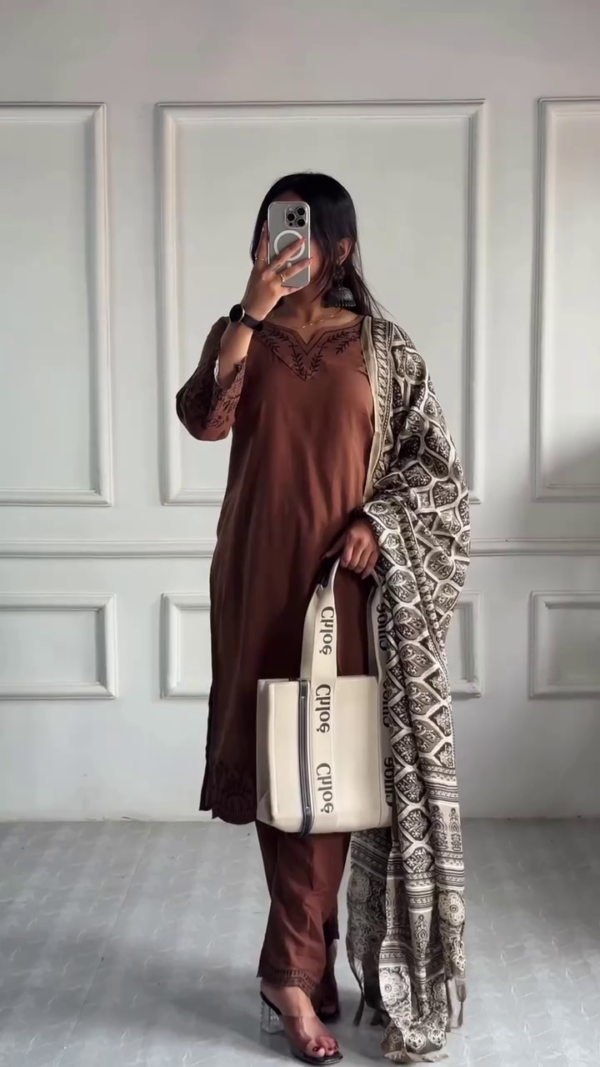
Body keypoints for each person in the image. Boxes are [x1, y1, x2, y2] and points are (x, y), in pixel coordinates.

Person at [176, 172, 470, 1065]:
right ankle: (304, 963)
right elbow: (204, 419)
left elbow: (436, 467)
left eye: (302, 229)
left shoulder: (383, 349)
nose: (287, 242)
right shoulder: (241, 333)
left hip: (343, 584)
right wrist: (250, 310)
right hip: (255, 576)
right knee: (280, 763)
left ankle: (291, 973)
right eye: (275, 225)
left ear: (339, 246)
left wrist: (379, 521)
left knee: (327, 758)